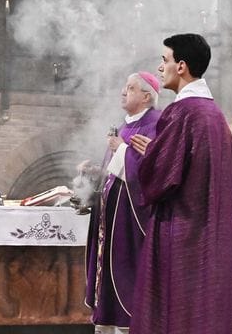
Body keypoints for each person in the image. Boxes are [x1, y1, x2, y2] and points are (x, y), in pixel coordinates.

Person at [127, 33, 232, 333]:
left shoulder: (182, 112)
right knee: (206, 305)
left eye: (164, 60)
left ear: (181, 67)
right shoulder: (215, 116)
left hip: (182, 230)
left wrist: (148, 156)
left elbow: (164, 178)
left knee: (177, 307)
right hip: (212, 228)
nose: (159, 67)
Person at [83, 72, 161, 334]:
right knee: (107, 277)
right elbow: (113, 174)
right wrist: (96, 173)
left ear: (146, 96)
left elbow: (153, 173)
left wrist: (122, 151)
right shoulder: (125, 126)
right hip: (111, 224)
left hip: (131, 224)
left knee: (128, 277)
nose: (123, 92)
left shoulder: (156, 125)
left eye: (130, 88)